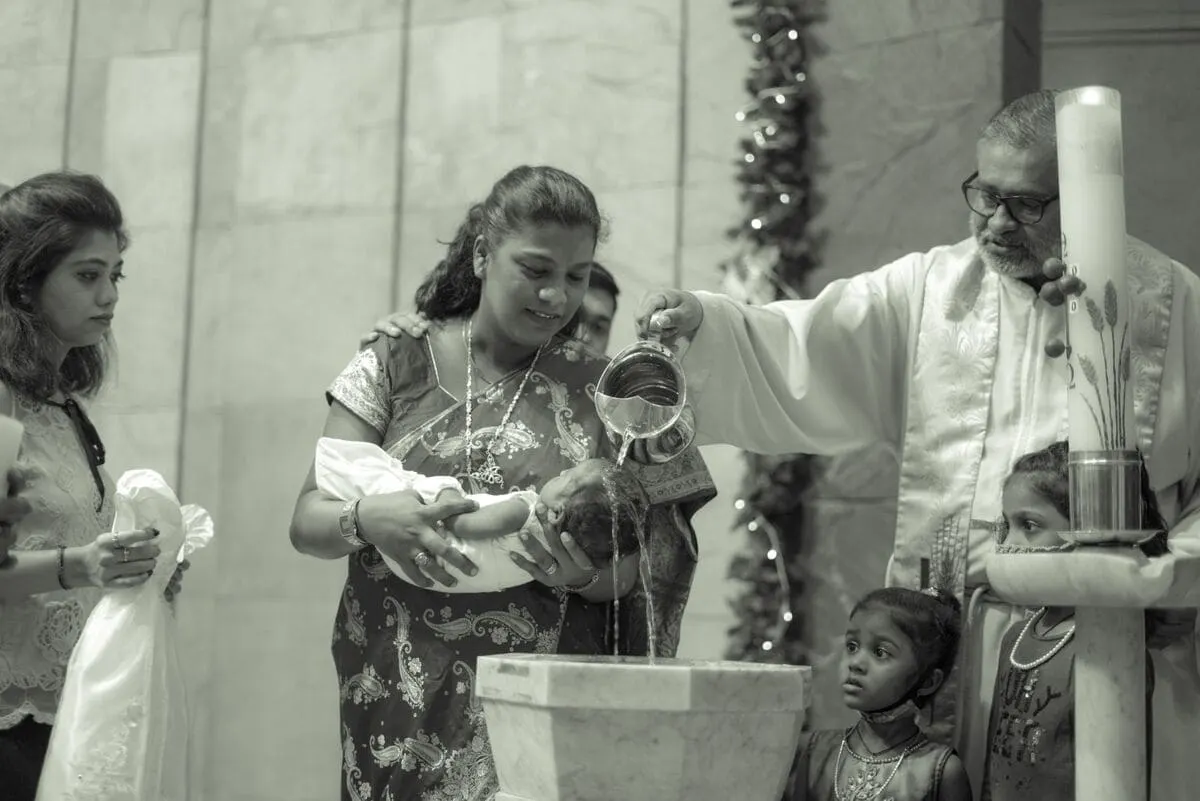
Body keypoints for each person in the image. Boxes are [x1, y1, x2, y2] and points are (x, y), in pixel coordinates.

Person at [634, 89, 1200, 797]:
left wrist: (1170, 575)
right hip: (955, 637)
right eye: (985, 194)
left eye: (1026, 204)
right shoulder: (932, 290)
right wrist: (708, 327)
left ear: (1084, 199)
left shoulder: (1172, 305)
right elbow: (805, 345)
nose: (996, 222)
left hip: (1107, 644)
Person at [289, 165, 715, 800]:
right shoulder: (394, 360)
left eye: (575, 276)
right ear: (483, 254)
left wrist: (580, 577)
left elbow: (639, 571)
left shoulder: (604, 392)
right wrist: (369, 519)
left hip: (537, 709)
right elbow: (306, 523)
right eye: (536, 270)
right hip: (395, 696)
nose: (557, 296)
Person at [0, 172, 187, 799]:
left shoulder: (61, 402)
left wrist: (139, 568)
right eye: (87, 275)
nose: (109, 295)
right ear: (25, 282)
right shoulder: (2, 398)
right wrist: (83, 565)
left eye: (115, 274)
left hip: (68, 712)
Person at [314, 436, 650, 593]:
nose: (562, 471)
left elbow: (463, 524)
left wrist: (447, 494)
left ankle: (336, 467)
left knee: (393, 481)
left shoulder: (522, 511)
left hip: (429, 552)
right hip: (438, 577)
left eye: (568, 477)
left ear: (559, 510)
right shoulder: (553, 547)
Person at [784, 586, 972, 801]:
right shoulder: (817, 750)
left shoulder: (940, 771)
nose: (855, 663)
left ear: (929, 681)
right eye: (852, 646)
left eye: (880, 652)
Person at [362, 259, 622, 356]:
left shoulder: (611, 410)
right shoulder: (411, 354)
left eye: (599, 327)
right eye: (575, 319)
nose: (583, 335)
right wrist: (386, 358)